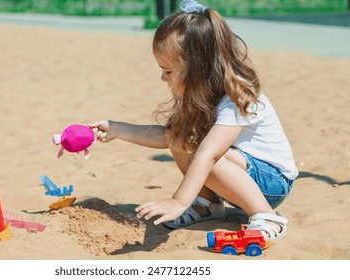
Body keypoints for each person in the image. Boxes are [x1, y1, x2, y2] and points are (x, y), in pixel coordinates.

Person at [89, 0, 298, 240]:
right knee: (182, 139)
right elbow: (169, 137)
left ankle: (266, 216)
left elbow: (209, 153)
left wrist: (179, 201)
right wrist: (117, 129)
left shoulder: (238, 93)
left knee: (205, 152)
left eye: (168, 71)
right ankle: (207, 205)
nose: (162, 77)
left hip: (271, 183)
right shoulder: (194, 92)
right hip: (237, 174)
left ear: (199, 67)